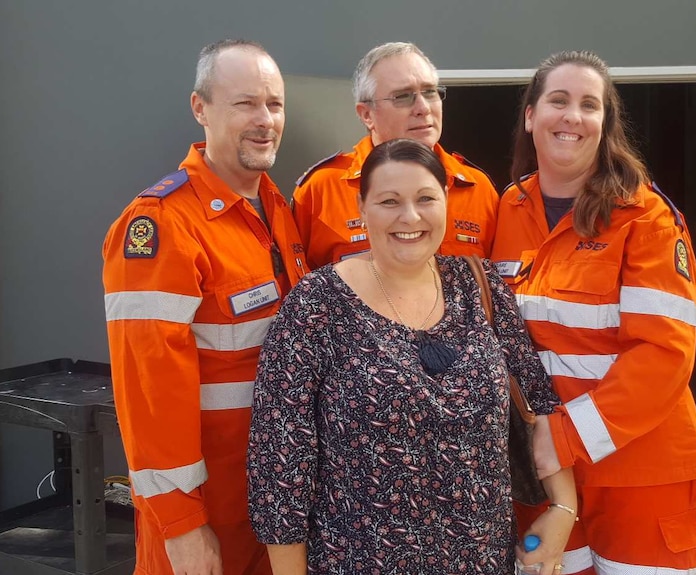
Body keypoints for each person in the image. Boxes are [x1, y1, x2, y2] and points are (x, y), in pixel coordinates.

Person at [248, 138, 577, 575]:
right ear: (362, 210)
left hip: (481, 560)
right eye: (389, 201)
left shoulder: (479, 287)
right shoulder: (316, 305)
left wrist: (564, 506)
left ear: (446, 204)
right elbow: (280, 460)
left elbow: (538, 402)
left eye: (426, 199)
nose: (410, 217)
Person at [491, 51, 696, 575]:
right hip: (545, 476)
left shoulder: (645, 217)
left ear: (604, 124)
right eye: (558, 100)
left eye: (589, 105)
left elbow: (664, 355)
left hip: (639, 472)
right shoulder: (506, 209)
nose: (572, 116)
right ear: (530, 115)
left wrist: (566, 436)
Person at [103, 39, 307, 575]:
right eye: (245, 104)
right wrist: (181, 525)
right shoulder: (162, 225)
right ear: (201, 109)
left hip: (279, 503)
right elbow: (148, 391)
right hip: (209, 516)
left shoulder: (278, 212)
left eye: (275, 104)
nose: (265, 120)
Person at [292, 41, 499, 269]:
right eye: (402, 96)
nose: (423, 107)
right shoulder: (322, 190)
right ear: (367, 115)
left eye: (430, 92)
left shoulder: (478, 188)